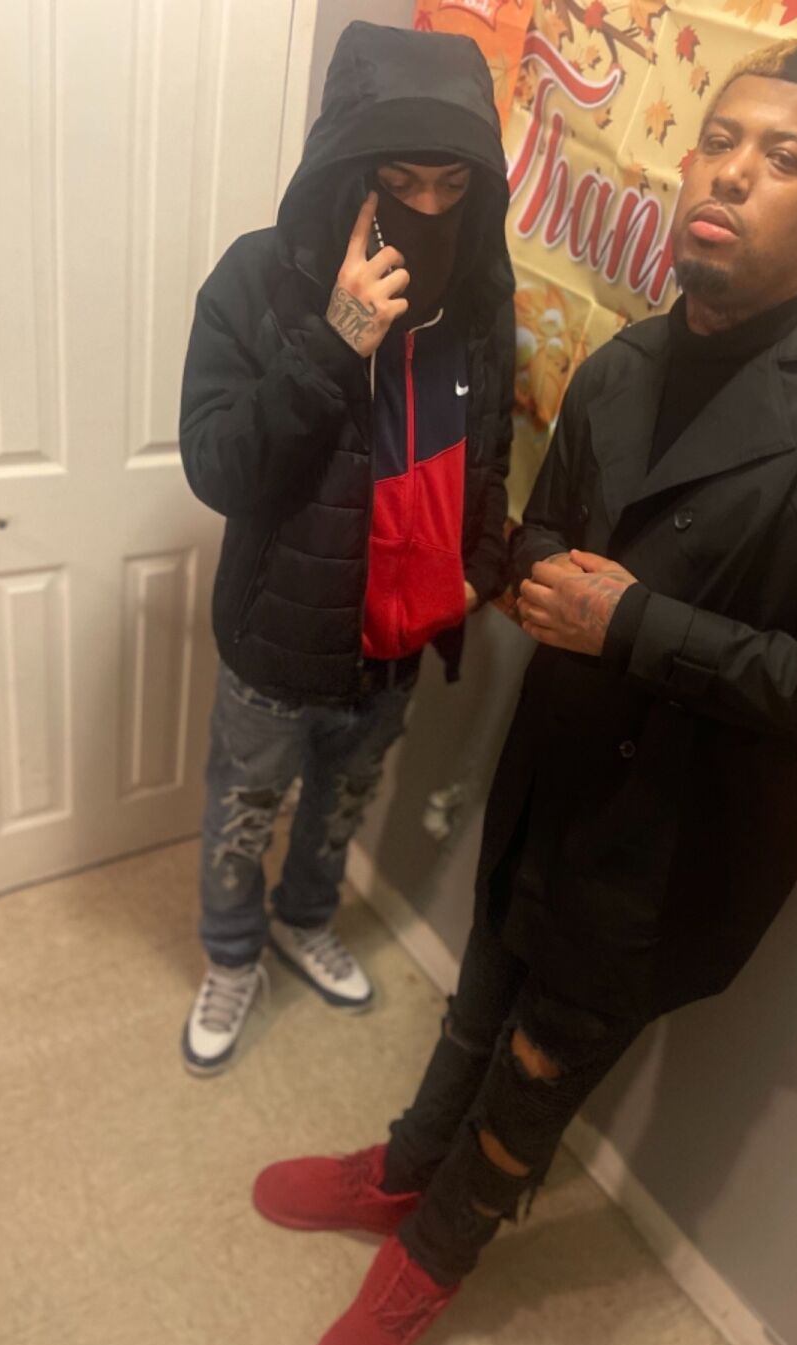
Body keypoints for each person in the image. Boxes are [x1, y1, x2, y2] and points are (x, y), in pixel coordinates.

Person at [253, 40, 797, 1345]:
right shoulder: (625, 365)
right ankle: (405, 1167)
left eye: (782, 159)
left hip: (674, 847)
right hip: (550, 774)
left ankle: (431, 1262)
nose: (731, 175)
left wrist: (635, 626)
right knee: (481, 993)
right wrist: (525, 568)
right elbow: (551, 533)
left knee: (542, 1061)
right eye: (720, 141)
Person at [177, 21, 515, 1075]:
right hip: (277, 643)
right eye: (397, 183)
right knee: (243, 816)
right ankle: (232, 956)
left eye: (449, 185)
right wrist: (333, 338)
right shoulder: (257, 279)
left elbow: (490, 449)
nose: (426, 208)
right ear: (346, 171)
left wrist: (480, 568)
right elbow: (219, 468)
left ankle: (305, 920)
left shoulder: (478, 298)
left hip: (395, 643)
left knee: (340, 811)